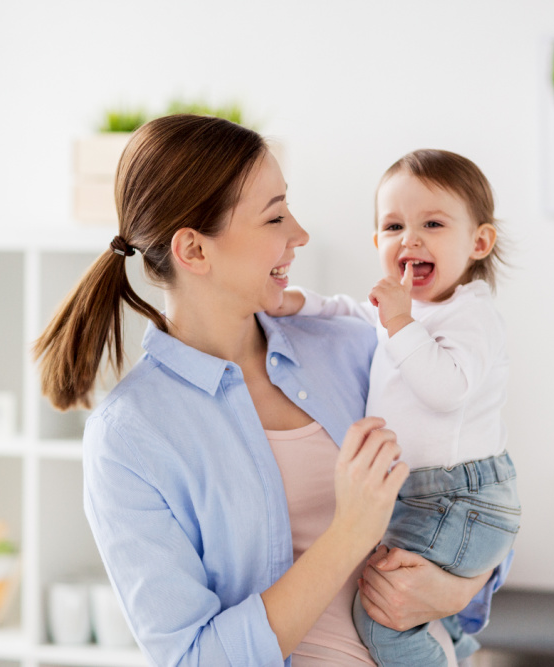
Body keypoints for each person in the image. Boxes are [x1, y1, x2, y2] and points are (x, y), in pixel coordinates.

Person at [34, 116, 501, 666]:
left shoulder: (354, 345)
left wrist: (458, 590)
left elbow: (478, 488)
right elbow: (195, 658)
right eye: (274, 215)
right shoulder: (130, 438)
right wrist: (349, 535)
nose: (299, 234)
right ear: (194, 251)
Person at [269, 148, 519, 666]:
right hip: (429, 494)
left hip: (460, 494)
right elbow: (353, 310)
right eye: (394, 226)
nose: (411, 238)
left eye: (432, 223)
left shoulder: (471, 315)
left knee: (382, 618)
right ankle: (456, 649)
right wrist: (296, 302)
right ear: (378, 241)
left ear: (479, 241)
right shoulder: (410, 310)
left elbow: (447, 388)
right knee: (411, 601)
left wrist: (401, 322)